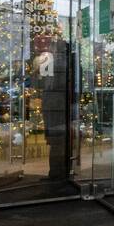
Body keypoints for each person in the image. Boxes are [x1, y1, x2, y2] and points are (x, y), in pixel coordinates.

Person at [32, 32, 72, 182]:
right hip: (62, 104)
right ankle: (62, 171)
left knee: (55, 140)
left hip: (53, 104)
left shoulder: (49, 61)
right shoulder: (69, 63)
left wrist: (36, 72)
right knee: (61, 139)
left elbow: (39, 84)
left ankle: (56, 173)